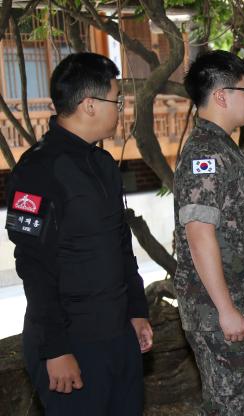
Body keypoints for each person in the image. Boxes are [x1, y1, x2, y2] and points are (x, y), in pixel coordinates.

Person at [5, 52, 152, 415]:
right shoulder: (38, 170)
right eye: (116, 100)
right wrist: (55, 349)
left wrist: (136, 309)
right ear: (89, 105)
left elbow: (121, 246)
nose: (120, 109)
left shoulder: (103, 165)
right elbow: (33, 264)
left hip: (117, 336)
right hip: (71, 343)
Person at [173, 50, 244, 416]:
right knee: (232, 407)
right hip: (218, 311)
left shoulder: (223, 148)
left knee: (240, 404)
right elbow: (199, 234)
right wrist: (226, 309)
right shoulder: (206, 154)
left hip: (234, 303)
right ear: (221, 95)